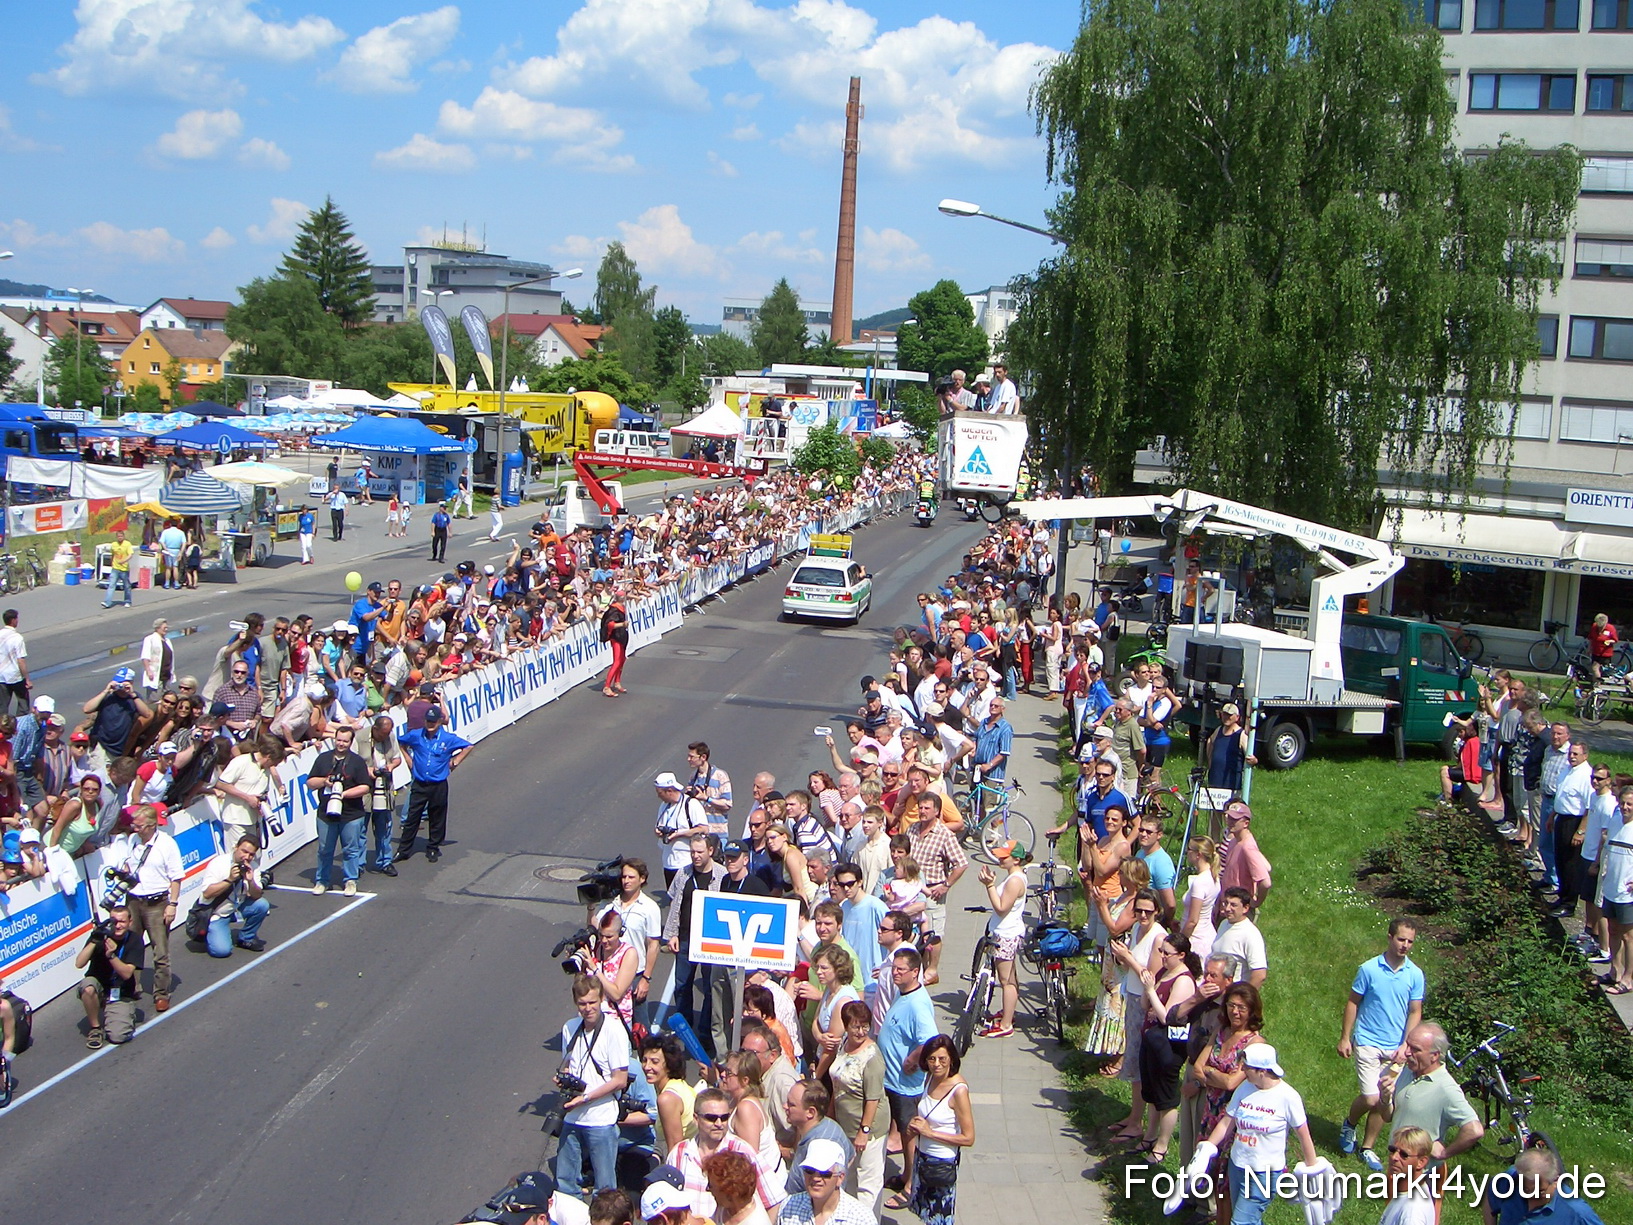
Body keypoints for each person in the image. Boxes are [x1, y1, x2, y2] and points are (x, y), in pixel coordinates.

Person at [1196, 1043, 1319, 1225]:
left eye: (1246, 1067)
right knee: (1249, 1219)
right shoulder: (1245, 1088)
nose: (1241, 1069)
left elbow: (1303, 1135)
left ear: (1262, 1071)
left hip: (1264, 1173)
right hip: (1238, 1165)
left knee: (1241, 1222)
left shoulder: (1288, 1097)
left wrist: (1313, 1171)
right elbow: (1227, 1122)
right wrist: (1207, 1147)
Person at [1338, 919, 1426, 1171]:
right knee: (1371, 1097)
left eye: (1410, 941)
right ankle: (1350, 1124)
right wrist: (1346, 1037)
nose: (1405, 945)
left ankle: (1367, 1147)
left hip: (1396, 1048)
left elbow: (1415, 1011)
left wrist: (1406, 1044)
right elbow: (1353, 1002)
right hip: (1367, 1041)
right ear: (1389, 937)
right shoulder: (1369, 969)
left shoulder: (1415, 974)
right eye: (1401, 939)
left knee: (1384, 1101)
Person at [554, 976, 632, 1197]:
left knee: (605, 1188)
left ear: (601, 1000)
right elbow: (570, 1064)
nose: (587, 1009)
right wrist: (564, 1078)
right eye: (582, 1004)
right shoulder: (570, 1027)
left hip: (601, 1119)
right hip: (572, 1116)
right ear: (575, 1003)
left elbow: (620, 1079)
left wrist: (586, 1098)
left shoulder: (614, 1030)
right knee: (566, 1182)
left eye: (592, 1002)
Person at [877, 946, 937, 1202]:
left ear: (915, 972)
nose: (896, 974)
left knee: (908, 1134)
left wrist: (912, 1059)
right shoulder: (903, 993)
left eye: (901, 970)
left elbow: (930, 1040)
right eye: (894, 969)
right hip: (891, 1080)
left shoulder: (917, 1004)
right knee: (902, 1131)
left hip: (905, 1086)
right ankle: (906, 1175)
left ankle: (911, 1185)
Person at [1384, 1023, 1484, 1176]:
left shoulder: (1446, 1088)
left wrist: (1444, 1153)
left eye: (1416, 1049)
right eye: (1408, 1045)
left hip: (1422, 1176)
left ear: (1434, 1055)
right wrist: (1385, 1099)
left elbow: (1474, 1130)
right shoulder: (1408, 1071)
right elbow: (1388, 1117)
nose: (1408, 1053)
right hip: (1397, 1165)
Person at [815, 1001, 886, 1214]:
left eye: (865, 1026)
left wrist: (864, 1131)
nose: (861, 1031)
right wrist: (830, 1115)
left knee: (868, 1184)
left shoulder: (872, 1057)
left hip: (868, 1130)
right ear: (846, 1026)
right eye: (856, 1026)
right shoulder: (845, 1043)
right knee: (849, 1179)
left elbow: (873, 1098)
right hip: (844, 1126)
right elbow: (837, 1083)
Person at [114, 803, 184, 1012]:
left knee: (160, 951)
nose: (135, 829)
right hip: (134, 900)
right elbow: (129, 863)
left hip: (157, 902)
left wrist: (172, 904)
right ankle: (130, 987)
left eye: (140, 826)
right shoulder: (133, 840)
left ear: (152, 825)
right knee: (130, 947)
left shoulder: (167, 844)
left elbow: (176, 877)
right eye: (134, 825)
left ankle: (161, 993)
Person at [663, 834, 728, 1056]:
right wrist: (671, 934)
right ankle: (683, 1028)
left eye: (700, 852)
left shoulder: (722, 875)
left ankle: (705, 1032)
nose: (695, 856)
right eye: (692, 852)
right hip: (685, 937)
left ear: (710, 851)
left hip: (710, 941)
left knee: (711, 988)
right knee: (682, 985)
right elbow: (676, 904)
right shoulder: (684, 873)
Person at [899, 1034, 973, 1225]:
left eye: (942, 1059)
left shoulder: (959, 1090)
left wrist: (930, 1133)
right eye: (932, 1059)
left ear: (951, 1060)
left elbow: (968, 1138)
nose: (936, 1064)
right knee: (924, 1213)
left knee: (939, 1218)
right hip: (922, 1157)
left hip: (941, 1163)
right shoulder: (930, 1078)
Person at [393, 705, 472, 865]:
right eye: (428, 721)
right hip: (420, 783)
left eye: (433, 722)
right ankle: (404, 849)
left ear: (440, 722)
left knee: (437, 816)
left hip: (438, 784)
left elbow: (468, 746)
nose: (430, 724)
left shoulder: (448, 738)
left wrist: (455, 761)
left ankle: (433, 847)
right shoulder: (416, 735)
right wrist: (409, 760)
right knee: (412, 817)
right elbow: (400, 742)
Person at [307, 724, 372, 897]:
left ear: (351, 742)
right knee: (324, 849)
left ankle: (350, 880)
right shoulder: (323, 759)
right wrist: (325, 782)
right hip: (325, 814)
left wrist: (342, 794)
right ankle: (322, 880)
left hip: (351, 814)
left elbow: (365, 787)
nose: (341, 744)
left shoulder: (357, 762)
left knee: (351, 849)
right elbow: (310, 783)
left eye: (345, 741)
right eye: (338, 740)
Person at [593, 858, 663, 1013]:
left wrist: (646, 979)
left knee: (639, 1027)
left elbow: (653, 945)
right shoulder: (610, 903)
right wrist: (591, 907)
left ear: (642, 879)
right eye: (624, 877)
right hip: (608, 969)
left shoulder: (649, 908)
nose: (626, 881)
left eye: (631, 877)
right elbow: (593, 927)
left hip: (635, 973)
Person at [977, 838, 1028, 1039]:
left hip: (1006, 934)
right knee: (1010, 977)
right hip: (1007, 932)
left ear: (1016, 859)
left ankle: (1006, 1024)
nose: (999, 859)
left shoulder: (1014, 881)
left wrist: (989, 885)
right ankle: (1008, 1012)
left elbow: (1001, 907)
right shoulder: (1015, 877)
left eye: (1003, 856)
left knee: (1006, 981)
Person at [1482, 1144, 1605, 1225]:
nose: (1532, 1198)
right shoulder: (1509, 1180)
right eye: (1525, 1189)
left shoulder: (1577, 1212)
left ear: (1556, 1181)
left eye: (1540, 1192)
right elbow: (1490, 1197)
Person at [75, 903, 143, 1047]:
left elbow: (126, 974)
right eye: (114, 921)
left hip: (121, 991)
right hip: (99, 987)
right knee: (88, 987)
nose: (117, 926)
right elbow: (79, 963)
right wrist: (95, 940)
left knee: (118, 1036)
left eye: (122, 922)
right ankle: (95, 1029)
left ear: (130, 922)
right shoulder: (101, 936)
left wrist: (111, 956)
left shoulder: (134, 940)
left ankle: (122, 1013)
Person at [195, 833, 270, 955]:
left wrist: (250, 881)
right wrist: (229, 880)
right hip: (217, 913)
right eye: (244, 851)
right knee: (222, 951)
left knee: (262, 905)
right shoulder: (219, 863)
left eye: (251, 854)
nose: (247, 857)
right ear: (236, 847)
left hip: (236, 908)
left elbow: (257, 895)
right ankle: (211, 934)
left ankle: (246, 937)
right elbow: (207, 893)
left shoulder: (253, 867)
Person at [776, 1137, 873, 1225]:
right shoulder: (789, 1205)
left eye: (825, 1174)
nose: (815, 1178)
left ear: (840, 1178)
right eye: (810, 1171)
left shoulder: (861, 1219)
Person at [783, 1079, 853, 1197]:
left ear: (810, 1112)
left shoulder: (824, 1144)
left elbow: (822, 1195)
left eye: (791, 1104)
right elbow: (851, 1156)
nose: (785, 1106)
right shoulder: (828, 1125)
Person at [638, 1032, 697, 1155]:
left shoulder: (667, 1099)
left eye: (654, 1062)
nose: (647, 1067)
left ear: (669, 1065)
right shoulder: (679, 1085)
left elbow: (675, 1150)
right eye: (644, 1060)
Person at [655, 772, 710, 888]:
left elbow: (704, 829)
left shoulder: (691, 804)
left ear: (669, 791)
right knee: (672, 897)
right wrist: (659, 833)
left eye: (659, 793)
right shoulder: (663, 806)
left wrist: (680, 834)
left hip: (686, 861)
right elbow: (659, 826)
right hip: (668, 862)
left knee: (686, 897)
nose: (658, 796)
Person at [1378, 1125, 1437, 1225]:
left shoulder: (1412, 1213)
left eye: (1404, 1155)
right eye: (1393, 1150)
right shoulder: (1406, 1194)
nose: (1394, 1157)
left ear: (1421, 1162)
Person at [1212, 887, 1269, 986]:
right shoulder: (1224, 924)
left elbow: (1259, 975)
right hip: (1215, 994)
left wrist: (1244, 998)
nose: (1227, 908)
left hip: (1232, 995)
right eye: (1226, 903)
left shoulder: (1250, 934)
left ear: (1245, 908)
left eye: (1233, 905)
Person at [1180, 837, 1221, 960]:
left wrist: (1179, 941)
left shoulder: (1200, 882)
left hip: (1196, 939)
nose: (1187, 853)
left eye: (1189, 849)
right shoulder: (1213, 876)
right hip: (1207, 934)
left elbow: (1193, 920)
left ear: (1198, 854)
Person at [1204, 703, 1256, 793]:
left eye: (1230, 715)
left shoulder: (1241, 735)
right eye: (1225, 714)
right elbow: (1210, 741)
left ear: (1237, 717)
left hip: (1231, 783)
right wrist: (1210, 760)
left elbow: (1250, 756)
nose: (1226, 717)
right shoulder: (1219, 730)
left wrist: (1254, 760)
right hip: (1214, 779)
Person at [0, 610, 31, 716]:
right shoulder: (17, 638)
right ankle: (20, 726)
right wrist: (27, 679)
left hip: (2, 676)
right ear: (13, 620)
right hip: (15, 676)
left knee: (2, 706)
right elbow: (20, 660)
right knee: (23, 704)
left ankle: (3, 728)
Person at [601, 595, 629, 698]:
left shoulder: (622, 607)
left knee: (622, 659)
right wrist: (622, 624)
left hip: (622, 635)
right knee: (617, 661)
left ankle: (617, 682)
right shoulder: (614, 610)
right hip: (616, 637)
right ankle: (607, 686)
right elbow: (610, 625)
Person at [101, 533, 136, 608]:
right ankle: (107, 602)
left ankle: (127, 601)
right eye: (118, 536)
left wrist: (123, 561)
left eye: (121, 536)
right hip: (115, 568)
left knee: (126, 586)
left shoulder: (127, 544)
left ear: (124, 536)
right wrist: (112, 563)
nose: (120, 538)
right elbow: (113, 554)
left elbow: (130, 555)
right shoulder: (114, 544)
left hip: (124, 569)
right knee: (111, 585)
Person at [1587, 612, 1619, 682]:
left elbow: (1615, 640)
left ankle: (1599, 686)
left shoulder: (1610, 628)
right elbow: (1591, 638)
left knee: (1600, 670)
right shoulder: (1594, 627)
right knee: (1595, 668)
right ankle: (1596, 685)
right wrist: (1589, 648)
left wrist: (1609, 641)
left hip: (1605, 653)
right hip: (1596, 652)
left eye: (1601, 626)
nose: (1600, 628)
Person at [159, 518, 186, 586]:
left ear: (170, 524)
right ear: (177, 525)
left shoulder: (165, 531)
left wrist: (165, 548)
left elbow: (161, 541)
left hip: (168, 549)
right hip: (176, 550)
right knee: (175, 567)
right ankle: (176, 583)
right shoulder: (181, 532)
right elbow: (184, 543)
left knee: (168, 567)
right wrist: (181, 552)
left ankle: (167, 583)